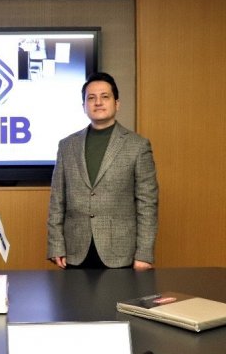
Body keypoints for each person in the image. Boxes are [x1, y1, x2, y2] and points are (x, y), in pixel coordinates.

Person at [47, 72, 158, 270]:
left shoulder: (138, 146)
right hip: (75, 252)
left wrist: (144, 254)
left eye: (105, 96)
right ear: (84, 106)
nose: (98, 102)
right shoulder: (67, 145)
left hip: (121, 253)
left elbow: (147, 204)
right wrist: (56, 245)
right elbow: (57, 200)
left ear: (117, 103)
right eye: (91, 98)